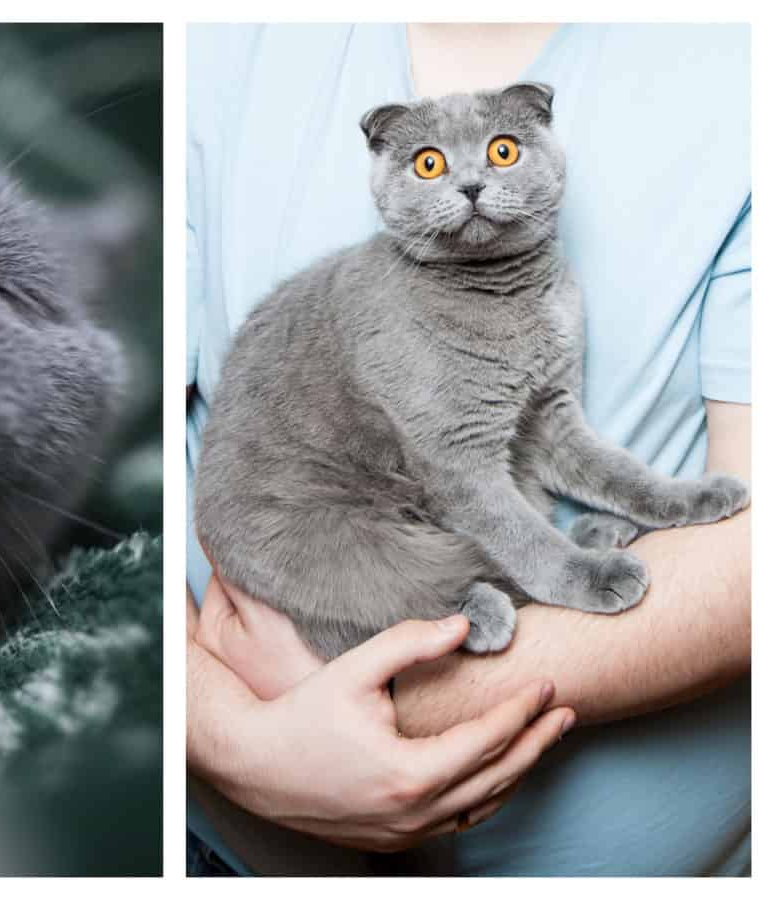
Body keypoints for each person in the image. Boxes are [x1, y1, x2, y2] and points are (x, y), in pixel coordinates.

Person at [186, 23, 751, 876]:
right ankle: (503, 593)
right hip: (324, 529)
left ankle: (526, 581)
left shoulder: (725, 70)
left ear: (541, 139)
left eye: (499, 149)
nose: (472, 183)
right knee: (459, 537)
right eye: (428, 164)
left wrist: (662, 502)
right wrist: (227, 738)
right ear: (387, 167)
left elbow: (554, 429)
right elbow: (457, 472)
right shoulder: (225, 48)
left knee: (529, 473)